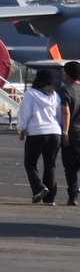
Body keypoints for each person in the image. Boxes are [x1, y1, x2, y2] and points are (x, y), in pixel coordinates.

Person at [19, 67, 65, 203]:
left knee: (30, 163)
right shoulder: (55, 96)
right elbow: (58, 115)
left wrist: (21, 129)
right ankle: (50, 199)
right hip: (55, 132)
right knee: (50, 165)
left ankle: (38, 187)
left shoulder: (31, 94)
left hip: (37, 132)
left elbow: (24, 113)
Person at [61, 62, 80, 205]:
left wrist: (65, 133)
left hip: (72, 133)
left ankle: (73, 195)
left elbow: (66, 112)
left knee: (70, 168)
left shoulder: (66, 90)